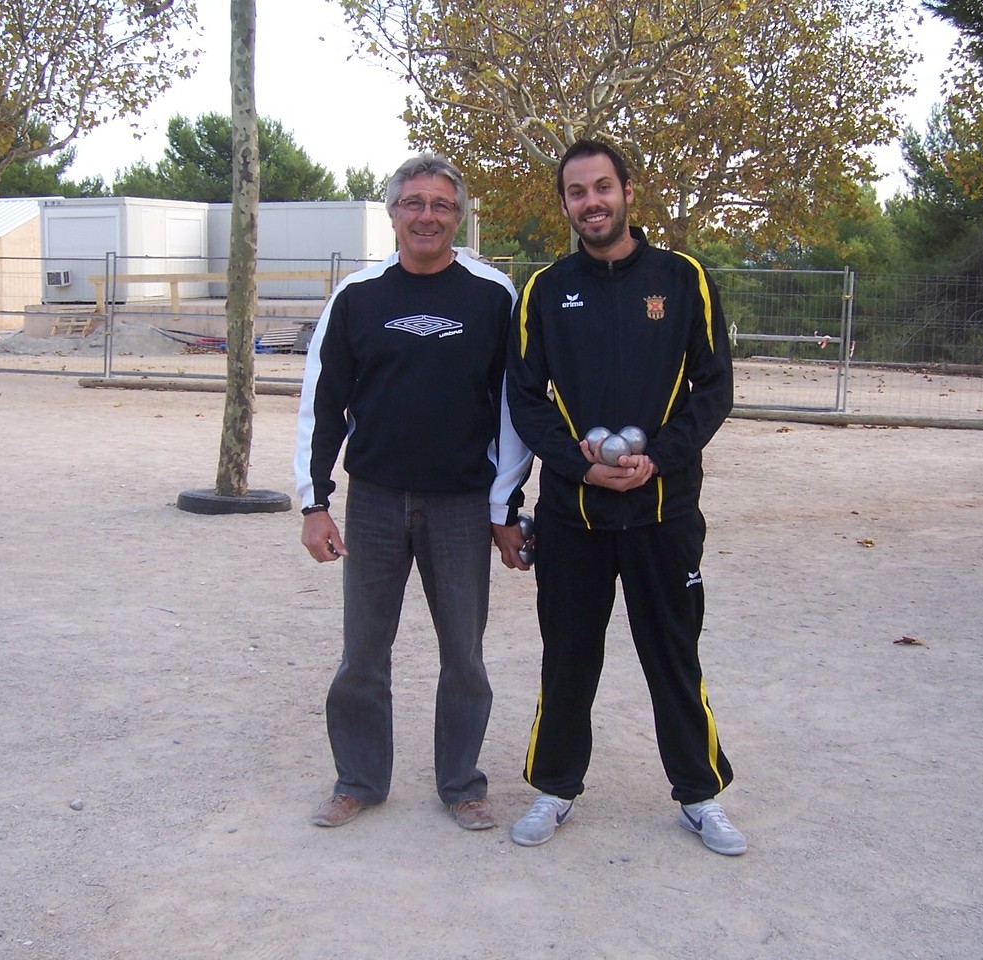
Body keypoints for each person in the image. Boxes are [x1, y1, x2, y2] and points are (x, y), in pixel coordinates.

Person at [504, 138, 745, 855]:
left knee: (673, 653)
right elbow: (526, 401)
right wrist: (579, 470)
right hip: (574, 516)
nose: (591, 202)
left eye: (602, 187)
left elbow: (716, 388)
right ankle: (554, 789)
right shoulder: (545, 290)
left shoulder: (683, 277)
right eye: (577, 192)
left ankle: (700, 795)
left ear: (628, 191)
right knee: (567, 655)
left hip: (663, 513)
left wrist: (658, 460)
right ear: (566, 204)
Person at [294, 153, 532, 832]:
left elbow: (513, 411)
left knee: (465, 653)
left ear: (459, 216)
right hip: (373, 501)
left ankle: (462, 784)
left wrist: (503, 509)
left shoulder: (492, 297)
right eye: (414, 203)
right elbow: (324, 403)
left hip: (460, 504)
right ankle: (359, 780)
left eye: (441, 205)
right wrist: (314, 503)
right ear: (393, 212)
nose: (427, 216)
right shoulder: (358, 297)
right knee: (363, 652)